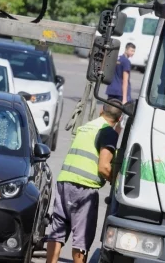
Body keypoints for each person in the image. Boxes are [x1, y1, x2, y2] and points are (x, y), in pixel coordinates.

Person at [44, 99, 123, 263]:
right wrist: (115, 181)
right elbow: (104, 167)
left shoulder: (86, 127)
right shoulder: (107, 131)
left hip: (65, 181)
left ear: (102, 110)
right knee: (82, 236)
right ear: (120, 118)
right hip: (84, 188)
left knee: (58, 229)